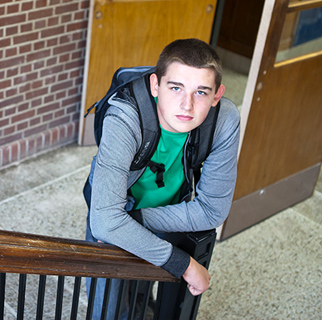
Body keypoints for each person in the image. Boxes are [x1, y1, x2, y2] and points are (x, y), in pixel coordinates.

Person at [85, 38, 240, 319]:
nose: (187, 105)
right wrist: (185, 265)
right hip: (115, 203)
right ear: (156, 85)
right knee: (107, 305)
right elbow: (104, 221)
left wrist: (130, 221)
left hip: (169, 211)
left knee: (145, 292)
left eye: (202, 92)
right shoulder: (125, 116)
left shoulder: (224, 119)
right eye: (176, 87)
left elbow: (213, 209)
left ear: (217, 95)